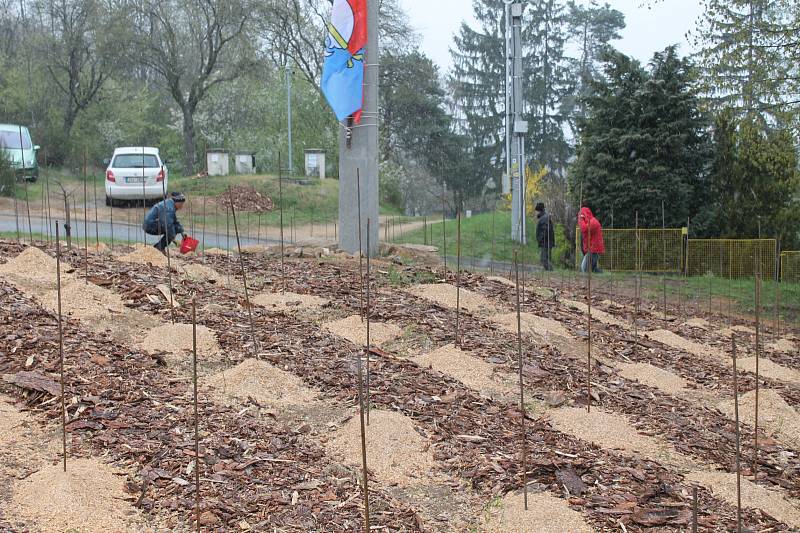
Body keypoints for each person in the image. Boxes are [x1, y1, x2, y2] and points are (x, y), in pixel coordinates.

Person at [578, 206, 604, 273]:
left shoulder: (592, 222)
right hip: (593, 249)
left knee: (584, 268)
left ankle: (598, 276)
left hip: (594, 249)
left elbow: (583, 229)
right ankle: (599, 275)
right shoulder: (591, 221)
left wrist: (581, 219)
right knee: (591, 269)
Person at [535, 202, 556, 271]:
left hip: (546, 242)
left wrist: (540, 239)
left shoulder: (544, 218)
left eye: (536, 211)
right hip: (547, 242)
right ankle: (549, 271)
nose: (535, 213)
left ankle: (550, 271)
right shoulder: (544, 217)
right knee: (545, 259)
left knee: (544, 259)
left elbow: (545, 231)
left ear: (539, 211)